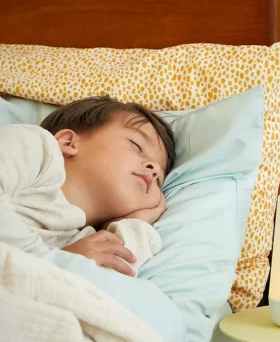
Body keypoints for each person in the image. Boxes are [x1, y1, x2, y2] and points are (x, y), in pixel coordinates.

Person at [0, 95, 176, 276]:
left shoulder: (81, 241)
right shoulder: (34, 146)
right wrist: (54, 262)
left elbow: (114, 278)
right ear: (68, 142)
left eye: (159, 181)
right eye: (136, 145)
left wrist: (136, 222)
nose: (154, 169)